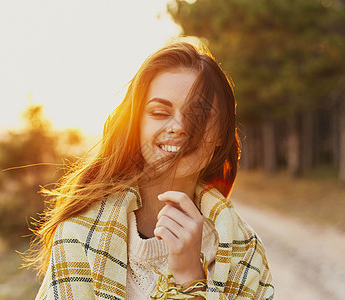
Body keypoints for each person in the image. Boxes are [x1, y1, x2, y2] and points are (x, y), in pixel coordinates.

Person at [28, 41, 274, 299]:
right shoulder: (79, 234)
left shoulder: (244, 250)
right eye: (159, 112)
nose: (178, 126)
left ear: (221, 134)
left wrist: (191, 280)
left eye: (198, 115)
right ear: (137, 126)